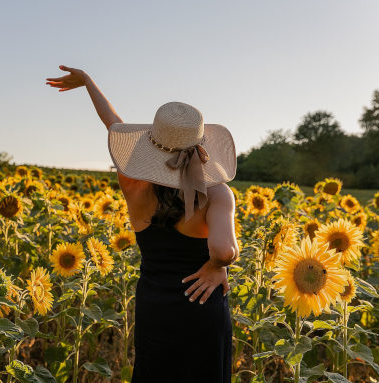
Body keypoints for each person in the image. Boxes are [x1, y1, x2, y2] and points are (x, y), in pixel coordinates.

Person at [46, 65, 239, 383]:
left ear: (151, 144)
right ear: (201, 145)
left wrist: (89, 83)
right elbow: (223, 248)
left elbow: (114, 126)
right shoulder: (217, 193)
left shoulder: (132, 182)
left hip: (155, 306)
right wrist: (217, 266)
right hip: (202, 305)